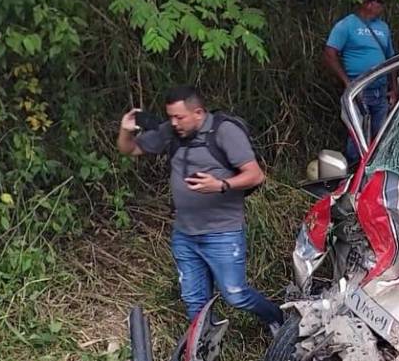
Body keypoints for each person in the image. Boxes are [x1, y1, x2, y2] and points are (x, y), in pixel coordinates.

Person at [117, 85, 283, 331]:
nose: (173, 123)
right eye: (170, 116)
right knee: (195, 303)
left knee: (235, 295)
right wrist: (125, 129)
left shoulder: (224, 132)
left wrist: (221, 184)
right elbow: (129, 149)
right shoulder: (172, 133)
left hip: (223, 232)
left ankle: (278, 319)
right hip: (185, 233)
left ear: (198, 113)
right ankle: (203, 353)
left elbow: (256, 176)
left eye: (179, 117)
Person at [323, 0, 396, 163]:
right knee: (358, 134)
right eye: (380, 3)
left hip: (381, 89)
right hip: (359, 89)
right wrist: (346, 81)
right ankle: (355, 169)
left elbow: (390, 58)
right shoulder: (347, 25)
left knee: (381, 133)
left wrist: (394, 88)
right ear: (368, 3)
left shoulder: (383, 27)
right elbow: (329, 53)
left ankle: (376, 170)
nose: (382, 7)